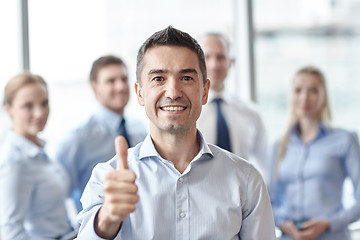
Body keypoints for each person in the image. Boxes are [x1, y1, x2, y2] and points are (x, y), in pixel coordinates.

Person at [76, 26, 276, 239]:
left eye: (186, 78)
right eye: (158, 78)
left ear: (205, 91)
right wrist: (107, 218)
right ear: (140, 93)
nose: (172, 92)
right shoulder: (107, 178)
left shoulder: (246, 180)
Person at [268, 66, 360, 240]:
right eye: (298, 90)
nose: (304, 97)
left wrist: (328, 224)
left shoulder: (345, 140)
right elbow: (269, 199)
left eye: (313, 91)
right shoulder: (279, 145)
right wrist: (283, 224)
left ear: (324, 97)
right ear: (291, 97)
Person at [55, 55, 147, 212]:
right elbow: (59, 194)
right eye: (111, 81)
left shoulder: (140, 129)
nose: (120, 86)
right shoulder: (78, 138)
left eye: (124, 79)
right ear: (95, 88)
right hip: (99, 228)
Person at [0, 72, 76, 239]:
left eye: (44, 103)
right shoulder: (14, 160)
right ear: (9, 109)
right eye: (28, 106)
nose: (39, 113)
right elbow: (12, 231)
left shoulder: (38, 148)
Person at [197, 33, 268, 180]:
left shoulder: (251, 113)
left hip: (243, 198)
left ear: (231, 62)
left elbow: (264, 165)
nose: (214, 65)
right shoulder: (187, 113)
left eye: (220, 57)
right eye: (207, 57)